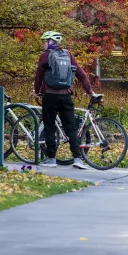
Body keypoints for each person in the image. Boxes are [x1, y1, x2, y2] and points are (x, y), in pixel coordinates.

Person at [33, 30, 99, 169]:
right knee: (71, 127)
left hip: (50, 96)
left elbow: (39, 76)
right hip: (66, 96)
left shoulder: (44, 56)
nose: (43, 44)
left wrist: (37, 92)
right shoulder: (68, 55)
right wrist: (90, 91)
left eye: (44, 41)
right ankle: (77, 159)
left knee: (49, 126)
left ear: (51, 42)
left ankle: (51, 159)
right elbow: (81, 74)